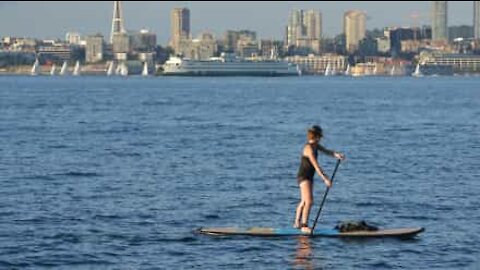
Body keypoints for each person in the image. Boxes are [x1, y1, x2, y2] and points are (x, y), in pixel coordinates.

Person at [294, 125, 345, 233]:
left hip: (308, 176)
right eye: (320, 136)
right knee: (309, 201)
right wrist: (325, 179)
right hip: (304, 176)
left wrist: (336, 155)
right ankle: (304, 226)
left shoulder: (315, 145)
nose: (321, 138)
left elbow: (327, 151)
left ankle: (296, 223)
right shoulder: (308, 148)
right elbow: (316, 166)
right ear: (316, 136)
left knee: (304, 201)